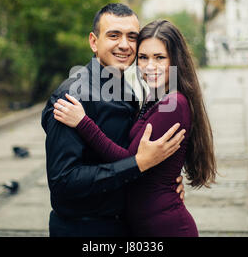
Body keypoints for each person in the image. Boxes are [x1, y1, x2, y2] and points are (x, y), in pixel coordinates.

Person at [53, 19, 217, 236]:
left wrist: (84, 123)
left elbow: (129, 161)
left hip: (165, 226)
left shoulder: (174, 103)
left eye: (159, 58)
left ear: (176, 61)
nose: (150, 66)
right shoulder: (156, 96)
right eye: (143, 57)